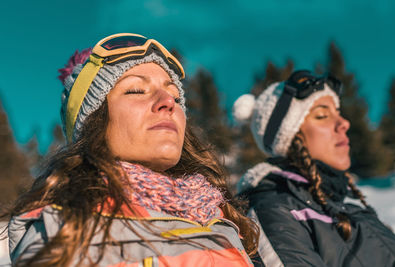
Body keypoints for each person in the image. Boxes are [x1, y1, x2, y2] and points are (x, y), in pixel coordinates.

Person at [5, 33, 259, 266]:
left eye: (177, 97)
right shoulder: (63, 227)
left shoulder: (225, 220)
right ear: (95, 122)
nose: (168, 102)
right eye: (136, 89)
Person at [232, 70, 395, 267]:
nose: (344, 123)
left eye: (338, 113)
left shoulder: (351, 211)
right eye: (322, 115)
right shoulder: (274, 211)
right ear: (287, 137)